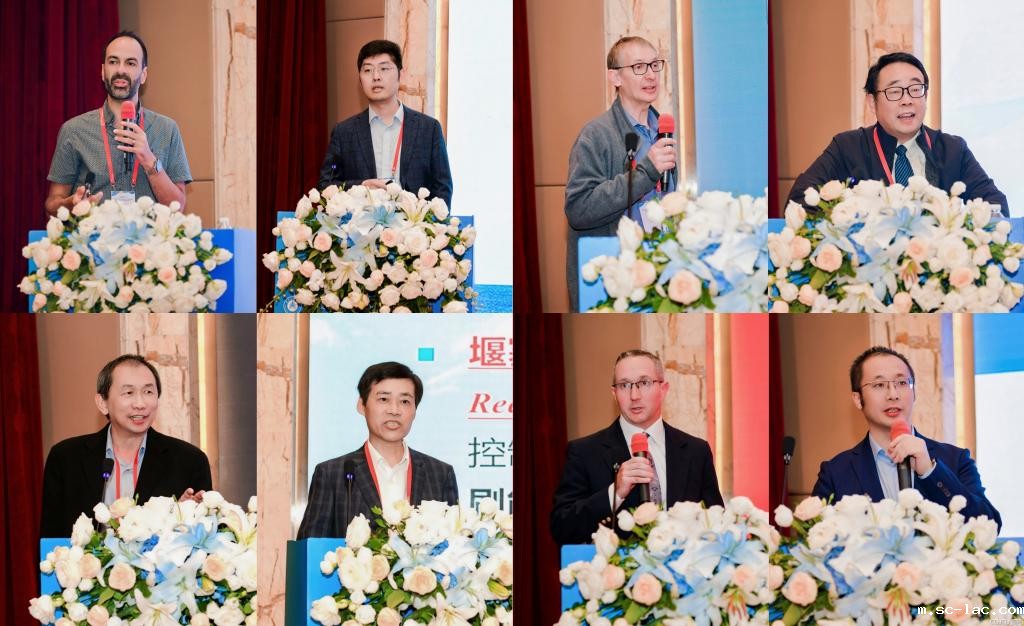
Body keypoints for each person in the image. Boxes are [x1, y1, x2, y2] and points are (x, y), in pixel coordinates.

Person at [787, 52, 1007, 215]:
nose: (907, 100)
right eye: (894, 91)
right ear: (872, 102)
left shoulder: (952, 149)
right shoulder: (847, 148)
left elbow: (996, 206)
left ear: (925, 96)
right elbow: (799, 201)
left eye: (915, 89)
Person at [812, 346, 1001, 528]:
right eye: (879, 385)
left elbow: (988, 525)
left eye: (902, 383)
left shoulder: (955, 459)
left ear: (914, 392)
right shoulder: (835, 473)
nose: (893, 394)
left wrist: (929, 472)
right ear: (857, 399)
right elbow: (815, 538)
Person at [550, 349, 723, 545]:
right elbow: (562, 527)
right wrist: (615, 493)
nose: (634, 395)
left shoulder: (696, 451)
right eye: (624, 385)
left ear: (663, 389)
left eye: (644, 383)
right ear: (614, 394)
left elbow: (716, 523)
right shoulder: (585, 452)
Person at [563, 36, 679, 311]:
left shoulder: (665, 131)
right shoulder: (596, 135)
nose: (651, 75)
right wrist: (646, 172)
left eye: (655, 64)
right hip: (616, 281)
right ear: (615, 77)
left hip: (663, 273)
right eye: (639, 67)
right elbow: (579, 208)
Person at [40, 354, 212, 538]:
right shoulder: (66, 459)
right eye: (129, 393)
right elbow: (51, 541)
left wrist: (181, 519)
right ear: (103, 403)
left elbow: (203, 540)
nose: (140, 404)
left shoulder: (189, 461)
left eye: (148, 392)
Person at [297, 361, 459, 538]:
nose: (394, 410)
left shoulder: (440, 474)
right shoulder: (332, 474)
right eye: (383, 399)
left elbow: (454, 546)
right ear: (362, 406)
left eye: (405, 401)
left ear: (414, 410)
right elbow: (310, 547)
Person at [45, 31, 192, 215]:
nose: (121, 70)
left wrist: (149, 160)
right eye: (113, 62)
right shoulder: (74, 130)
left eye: (130, 63)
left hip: (149, 234)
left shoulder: (167, 130)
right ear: (102, 71)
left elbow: (178, 207)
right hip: (94, 233)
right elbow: (52, 205)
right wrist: (70, 203)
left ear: (144, 75)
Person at [317, 40, 453, 208]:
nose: (376, 77)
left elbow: (442, 189)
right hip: (360, 223)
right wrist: (361, 186)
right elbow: (326, 185)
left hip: (413, 223)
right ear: (360, 79)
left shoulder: (428, 129)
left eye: (384, 69)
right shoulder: (344, 132)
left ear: (401, 75)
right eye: (368, 70)